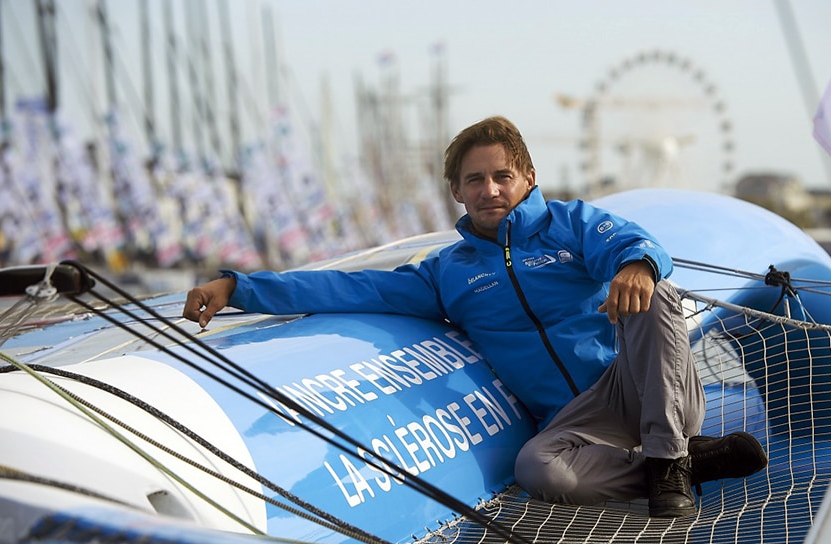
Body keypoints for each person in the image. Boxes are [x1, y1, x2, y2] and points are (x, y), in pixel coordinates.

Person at [183, 116, 766, 518]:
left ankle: (669, 459)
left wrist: (637, 264)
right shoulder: (450, 272)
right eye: (475, 180)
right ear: (457, 192)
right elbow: (350, 285)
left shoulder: (570, 223)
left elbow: (635, 241)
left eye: (502, 176)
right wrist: (238, 286)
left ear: (528, 178)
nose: (490, 189)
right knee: (539, 471)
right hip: (575, 422)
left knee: (656, 292)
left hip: (641, 387)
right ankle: (686, 463)